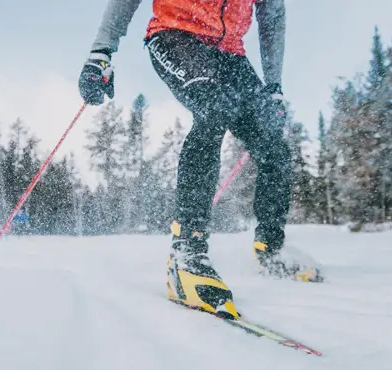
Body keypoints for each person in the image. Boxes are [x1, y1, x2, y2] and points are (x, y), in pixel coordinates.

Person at [78, 0, 321, 320]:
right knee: (213, 109)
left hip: (230, 53)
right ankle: (186, 254)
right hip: (176, 36)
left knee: (273, 146)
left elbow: (272, 16)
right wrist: (101, 52)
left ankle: (271, 249)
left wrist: (273, 87)